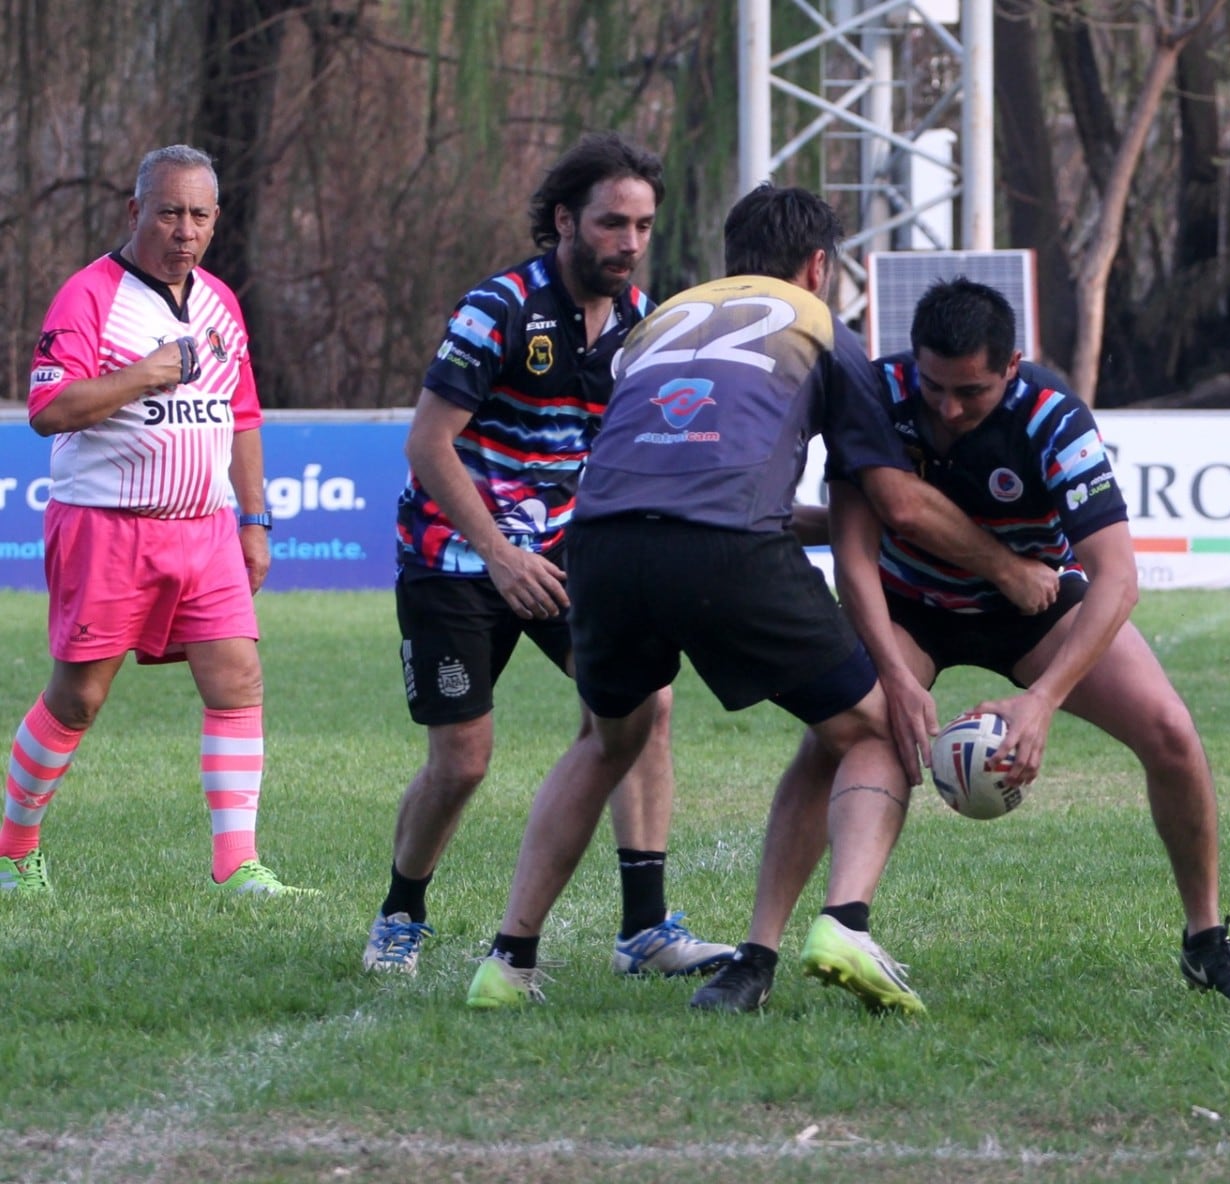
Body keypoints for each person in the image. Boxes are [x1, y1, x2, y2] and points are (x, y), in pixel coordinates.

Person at [464, 185, 1058, 1009]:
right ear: (819, 265)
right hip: (725, 548)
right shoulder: (821, 328)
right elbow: (899, 504)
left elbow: (653, 436)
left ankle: (507, 961)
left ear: (730, 256)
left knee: (608, 740)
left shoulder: (659, 318)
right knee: (878, 728)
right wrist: (1008, 569)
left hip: (599, 541)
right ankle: (844, 922)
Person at [689, 278, 1230, 1011]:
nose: (948, 408)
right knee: (840, 736)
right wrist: (893, 679)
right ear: (914, 361)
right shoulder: (876, 393)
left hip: (1029, 607)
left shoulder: (1052, 416)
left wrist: (1042, 701)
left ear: (1012, 365)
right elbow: (851, 553)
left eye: (970, 391)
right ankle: (758, 957)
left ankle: (1206, 942)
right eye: (935, 386)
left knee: (1169, 731)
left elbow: (1117, 579)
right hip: (906, 602)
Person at [364, 133, 729, 978]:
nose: (629, 243)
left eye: (641, 225)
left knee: (644, 708)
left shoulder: (644, 322)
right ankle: (400, 913)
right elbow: (428, 443)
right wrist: (497, 553)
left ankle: (644, 931)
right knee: (462, 762)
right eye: (611, 224)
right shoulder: (498, 309)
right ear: (565, 221)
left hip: (567, 557)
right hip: (455, 557)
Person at [1, 145, 308, 897]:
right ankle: (14, 851)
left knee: (237, 680)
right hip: (107, 526)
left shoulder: (221, 303)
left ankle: (237, 866)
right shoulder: (88, 295)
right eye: (169, 211)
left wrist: (254, 518)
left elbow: (241, 415)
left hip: (204, 529)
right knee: (80, 697)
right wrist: (144, 373)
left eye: (199, 215)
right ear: (137, 211)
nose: (184, 229)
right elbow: (48, 410)